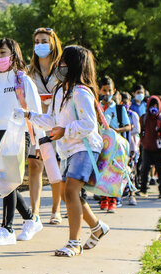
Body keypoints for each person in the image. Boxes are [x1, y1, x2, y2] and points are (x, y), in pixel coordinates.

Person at [21, 45, 110, 257]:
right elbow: (53, 120)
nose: (58, 65)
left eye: (62, 62)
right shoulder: (60, 91)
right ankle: (97, 227)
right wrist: (28, 115)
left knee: (70, 191)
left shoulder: (81, 93)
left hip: (85, 147)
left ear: (73, 65)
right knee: (66, 192)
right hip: (68, 149)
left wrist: (65, 130)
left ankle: (74, 242)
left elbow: (89, 124)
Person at [0, 38, 47, 246]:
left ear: (14, 55)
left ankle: (7, 229)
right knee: (5, 179)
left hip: (19, 133)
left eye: (3, 53)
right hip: (0, 134)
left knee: (7, 178)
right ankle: (31, 218)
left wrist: (41, 143)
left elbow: (36, 112)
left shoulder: (23, 81)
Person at [27, 27, 68, 225]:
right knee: (35, 165)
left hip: (56, 123)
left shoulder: (62, 69)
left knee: (56, 168)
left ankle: (56, 208)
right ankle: (34, 212)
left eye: (44, 41)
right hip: (35, 124)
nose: (40, 45)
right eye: (36, 42)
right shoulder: (28, 71)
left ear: (53, 43)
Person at [96, 76, 131, 212]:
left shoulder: (118, 109)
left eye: (110, 90)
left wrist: (116, 130)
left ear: (114, 91)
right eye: (104, 90)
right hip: (101, 145)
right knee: (102, 172)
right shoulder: (97, 107)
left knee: (115, 172)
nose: (107, 93)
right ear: (99, 90)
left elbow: (128, 126)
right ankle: (104, 198)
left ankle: (114, 200)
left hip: (116, 146)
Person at [138, 96, 161, 199]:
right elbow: (140, 132)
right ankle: (143, 189)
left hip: (159, 149)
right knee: (144, 170)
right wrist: (143, 142)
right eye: (151, 106)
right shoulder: (144, 118)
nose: (153, 108)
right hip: (146, 148)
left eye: (156, 106)